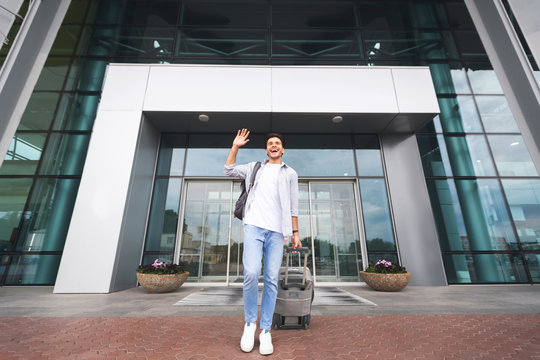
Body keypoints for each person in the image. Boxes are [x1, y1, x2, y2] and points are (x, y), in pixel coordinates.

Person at [224, 129, 301, 355]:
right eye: (270, 143)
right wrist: (236, 146)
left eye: (277, 143)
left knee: (271, 279)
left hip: (277, 232)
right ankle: (250, 324)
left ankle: (265, 330)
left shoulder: (290, 173)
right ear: (266, 149)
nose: (273, 145)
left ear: (282, 149)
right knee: (250, 272)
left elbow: (294, 207)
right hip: (254, 227)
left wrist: (295, 232)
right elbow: (228, 170)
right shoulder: (255, 168)